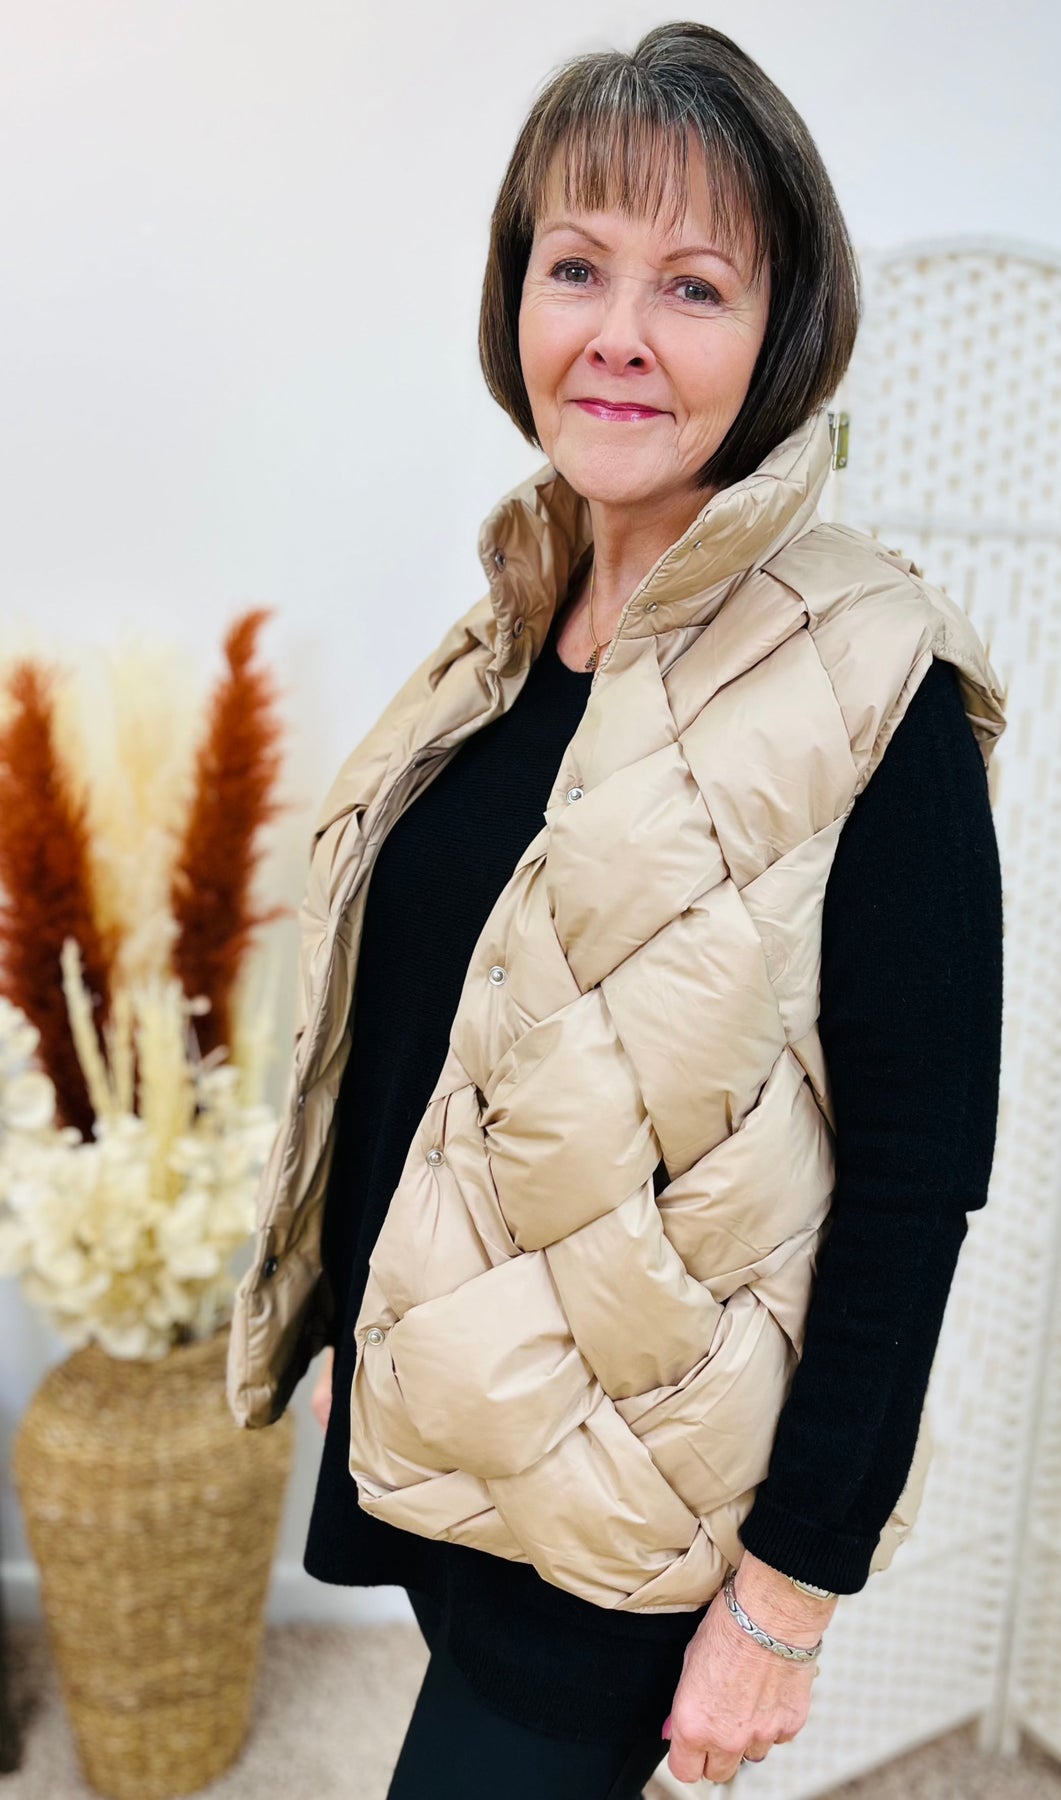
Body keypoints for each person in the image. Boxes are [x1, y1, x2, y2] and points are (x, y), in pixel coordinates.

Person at [228, 21, 1007, 1797]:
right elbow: (433, 1022)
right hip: (469, 1440)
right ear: (515, 294)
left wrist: (787, 1598)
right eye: (576, 266)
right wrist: (365, 1313)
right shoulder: (510, 627)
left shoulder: (869, 678)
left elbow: (917, 1181)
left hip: (634, 1517)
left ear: (780, 331)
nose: (620, 334)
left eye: (694, 285)